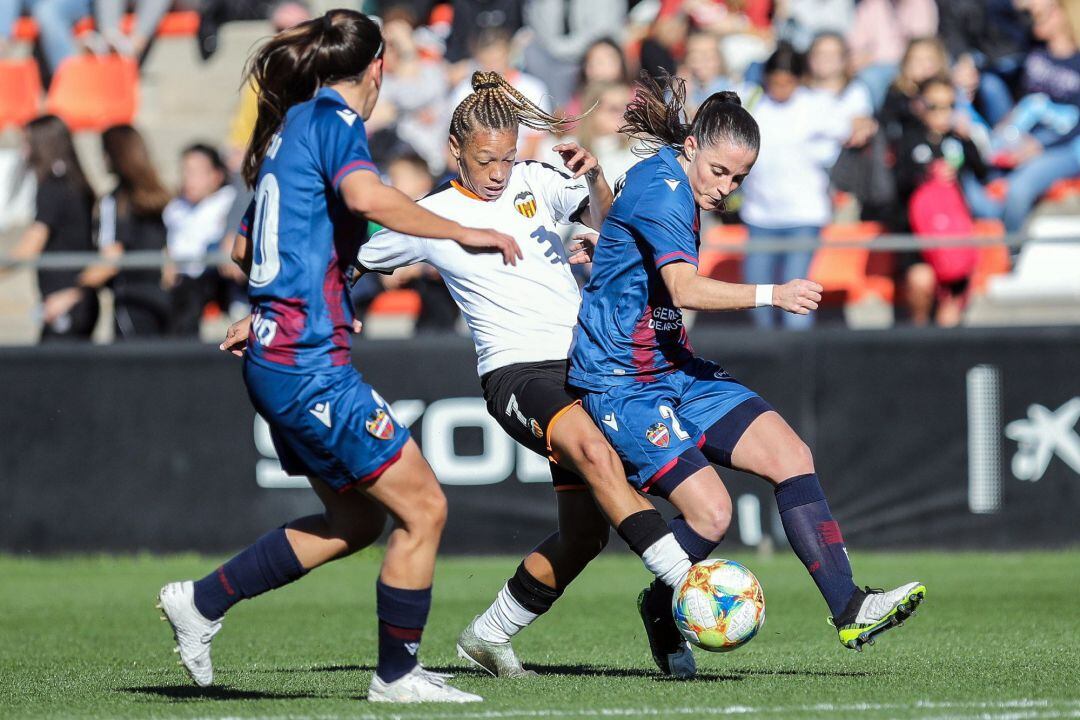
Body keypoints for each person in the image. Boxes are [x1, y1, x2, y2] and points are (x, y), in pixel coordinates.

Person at [156, 10, 520, 704]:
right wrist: (462, 232)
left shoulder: (289, 130)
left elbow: (245, 250)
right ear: (378, 68)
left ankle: (201, 603)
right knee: (425, 509)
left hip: (278, 353)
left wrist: (298, 288)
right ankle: (396, 675)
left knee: (357, 523)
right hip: (307, 360)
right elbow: (364, 194)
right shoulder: (333, 122)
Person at [568, 73, 926, 669]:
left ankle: (849, 609)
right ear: (691, 148)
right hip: (621, 380)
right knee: (712, 514)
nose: (726, 187)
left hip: (672, 365)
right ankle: (662, 605)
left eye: (739, 178)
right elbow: (682, 286)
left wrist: (601, 228)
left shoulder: (668, 172)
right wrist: (773, 293)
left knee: (792, 457)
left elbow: (630, 240)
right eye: (719, 172)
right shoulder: (664, 190)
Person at [356, 70, 703, 679]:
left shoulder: (538, 182)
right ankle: (692, 583)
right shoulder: (431, 216)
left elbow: (618, 227)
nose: (497, 171)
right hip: (516, 375)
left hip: (585, 365)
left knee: (582, 536)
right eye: (485, 159)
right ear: (453, 152)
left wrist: (595, 178)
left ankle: (488, 636)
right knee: (595, 452)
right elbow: (351, 260)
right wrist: (273, 314)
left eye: (507, 157)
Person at [739, 44, 850, 330]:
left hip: (804, 216)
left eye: (787, 82)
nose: (780, 88)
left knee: (797, 299)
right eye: (774, 82)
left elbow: (850, 129)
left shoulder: (817, 105)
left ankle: (799, 367)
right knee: (756, 298)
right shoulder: (751, 102)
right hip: (760, 216)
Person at [45, 124, 172, 338]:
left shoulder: (115, 201)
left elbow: (110, 260)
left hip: (131, 302)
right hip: (163, 300)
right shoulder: (158, 197)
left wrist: (70, 293)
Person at [895, 76, 989, 326]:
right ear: (920, 106)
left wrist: (968, 139)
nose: (942, 114)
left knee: (950, 312)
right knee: (921, 282)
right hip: (919, 238)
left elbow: (983, 172)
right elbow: (898, 184)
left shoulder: (957, 140)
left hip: (953, 238)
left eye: (949, 106)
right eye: (934, 106)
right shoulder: (909, 139)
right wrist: (926, 175)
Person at [0, 115, 97, 341]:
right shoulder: (75, 183)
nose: (25, 152)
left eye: (28, 144)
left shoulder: (53, 188)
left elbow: (29, 247)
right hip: (78, 299)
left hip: (64, 300)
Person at [162, 144, 236, 337]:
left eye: (196, 172)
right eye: (185, 171)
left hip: (213, 289)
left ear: (216, 175)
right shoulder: (175, 208)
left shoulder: (229, 202)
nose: (188, 178)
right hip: (179, 288)